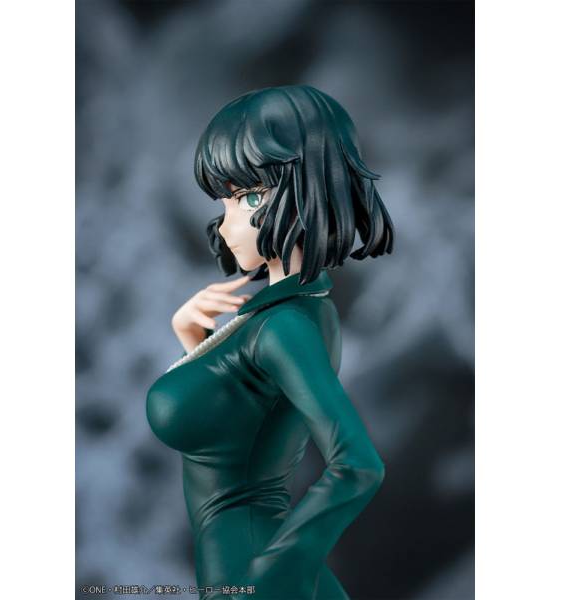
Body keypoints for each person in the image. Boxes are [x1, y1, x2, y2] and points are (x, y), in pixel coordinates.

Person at [146, 84, 394, 599]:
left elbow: (358, 464)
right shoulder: (284, 314)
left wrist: (278, 568)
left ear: (308, 190)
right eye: (226, 201)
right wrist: (195, 342)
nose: (226, 224)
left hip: (253, 573)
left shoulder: (286, 326)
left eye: (249, 198)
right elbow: (239, 422)